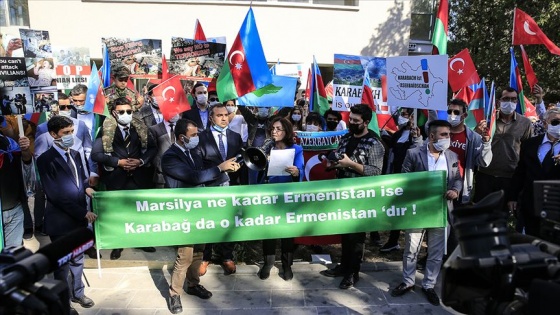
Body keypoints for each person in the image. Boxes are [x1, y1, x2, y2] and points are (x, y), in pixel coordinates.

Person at [161, 119, 240, 314]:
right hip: (184, 213)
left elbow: (204, 175)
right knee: (185, 255)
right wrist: (221, 168)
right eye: (194, 135)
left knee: (199, 251)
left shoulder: (192, 152)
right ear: (182, 137)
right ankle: (174, 294)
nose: (197, 138)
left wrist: (227, 172)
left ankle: (193, 284)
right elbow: (194, 177)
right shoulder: (170, 157)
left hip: (200, 211)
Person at [390, 120, 462, 306]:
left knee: (436, 251)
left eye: (449, 135)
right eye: (444, 135)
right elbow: (404, 179)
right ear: (432, 136)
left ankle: (429, 285)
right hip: (418, 210)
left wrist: (455, 190)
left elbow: (457, 180)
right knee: (411, 249)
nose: (448, 138)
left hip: (441, 210)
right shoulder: (414, 154)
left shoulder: (452, 156)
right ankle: (408, 282)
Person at [319, 104, 385, 289]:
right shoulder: (347, 136)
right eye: (351, 119)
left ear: (366, 122)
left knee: (356, 236)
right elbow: (341, 157)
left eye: (356, 121)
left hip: (361, 196)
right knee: (346, 233)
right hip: (343, 192)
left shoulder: (375, 143)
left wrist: (351, 164)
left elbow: (375, 171)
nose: (352, 123)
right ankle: (344, 266)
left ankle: (352, 273)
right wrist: (334, 164)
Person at [36, 116, 97, 311]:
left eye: (72, 132)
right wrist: (83, 213)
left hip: (78, 220)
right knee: (61, 265)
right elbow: (55, 195)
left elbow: (81, 181)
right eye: (66, 133)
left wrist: (87, 188)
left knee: (78, 259)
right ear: (53, 135)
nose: (70, 136)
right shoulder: (46, 160)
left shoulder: (76, 154)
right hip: (61, 221)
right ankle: (63, 303)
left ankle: (78, 293)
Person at [91, 97, 157, 260]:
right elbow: (96, 154)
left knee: (139, 212)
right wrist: (117, 162)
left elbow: (152, 148)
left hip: (139, 177)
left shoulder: (141, 128)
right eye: (122, 112)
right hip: (116, 178)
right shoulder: (106, 130)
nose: (126, 114)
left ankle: (141, 240)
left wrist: (141, 161)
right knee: (118, 213)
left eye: (129, 111)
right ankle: (118, 244)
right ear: (114, 113)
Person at [195, 103, 243, 275]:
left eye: (225, 115)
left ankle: (226, 256)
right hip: (211, 186)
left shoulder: (235, 137)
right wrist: (220, 168)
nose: (224, 118)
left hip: (231, 186)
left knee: (229, 223)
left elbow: (240, 158)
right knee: (210, 223)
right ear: (211, 118)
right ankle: (205, 257)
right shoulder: (201, 137)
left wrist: (238, 166)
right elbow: (199, 165)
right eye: (219, 115)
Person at [258, 117, 304, 281]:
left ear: (287, 132)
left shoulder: (296, 149)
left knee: (287, 232)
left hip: (287, 196)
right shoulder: (267, 147)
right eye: (272, 129)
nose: (274, 132)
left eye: (278, 129)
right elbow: (257, 168)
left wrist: (296, 172)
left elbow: (300, 170)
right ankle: (268, 263)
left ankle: (286, 265)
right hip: (269, 195)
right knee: (269, 230)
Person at [473, 87, 532, 212]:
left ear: (517, 102)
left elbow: (527, 151)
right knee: (480, 215)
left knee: (502, 216)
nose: (509, 102)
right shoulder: (487, 120)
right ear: (499, 101)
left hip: (510, 177)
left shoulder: (525, 123)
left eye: (513, 99)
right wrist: (477, 132)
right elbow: (475, 144)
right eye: (506, 99)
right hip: (485, 175)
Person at [508, 108, 560, 236]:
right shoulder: (530, 144)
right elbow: (520, 173)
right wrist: (512, 197)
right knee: (533, 243)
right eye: (555, 122)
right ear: (545, 123)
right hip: (532, 204)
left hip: (556, 205)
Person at [0, 129, 31, 247]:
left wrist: (25, 149)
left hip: (15, 209)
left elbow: (25, 162)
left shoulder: (9, 143)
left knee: (12, 256)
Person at [149, 112, 182, 188]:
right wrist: (159, 166)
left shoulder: (183, 127)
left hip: (182, 173)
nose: (174, 113)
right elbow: (152, 151)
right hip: (161, 176)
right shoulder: (154, 129)